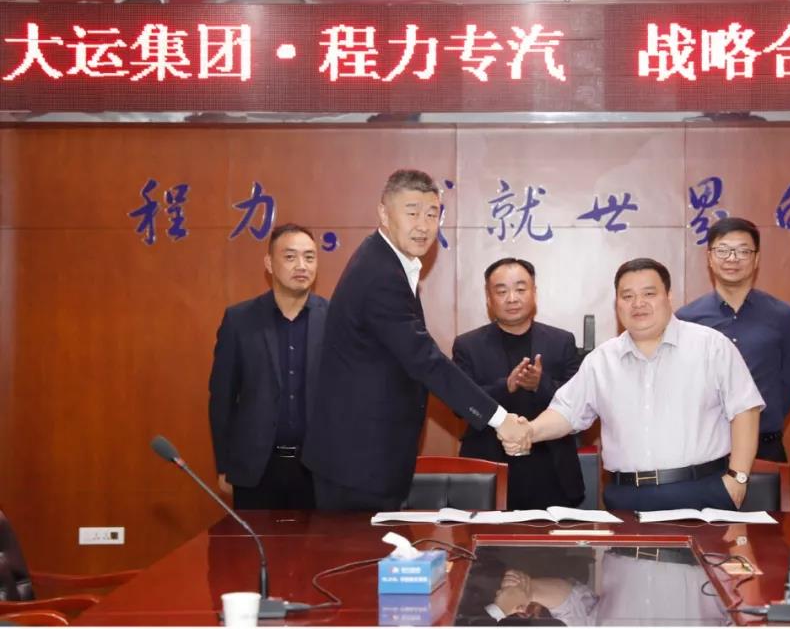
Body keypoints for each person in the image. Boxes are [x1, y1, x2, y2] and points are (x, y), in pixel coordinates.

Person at [302, 169, 530, 511]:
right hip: (357, 464)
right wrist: (499, 419)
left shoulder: (389, 263)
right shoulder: (380, 274)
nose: (423, 225)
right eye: (412, 213)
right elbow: (424, 359)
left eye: (432, 214)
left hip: (365, 461)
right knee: (358, 547)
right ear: (384, 213)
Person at [503, 258, 763, 512]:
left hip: (701, 491)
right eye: (627, 296)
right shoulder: (602, 360)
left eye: (649, 293)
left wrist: (738, 478)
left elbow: (745, 409)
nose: (638, 303)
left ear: (668, 296)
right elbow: (566, 412)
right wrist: (530, 431)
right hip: (627, 497)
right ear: (617, 303)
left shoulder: (711, 346)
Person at [208, 223, 326, 510]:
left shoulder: (335, 320)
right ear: (269, 263)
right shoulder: (239, 320)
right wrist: (225, 465)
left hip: (319, 471)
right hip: (256, 471)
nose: (302, 265)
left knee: (321, 541)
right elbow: (222, 398)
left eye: (309, 257)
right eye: (290, 257)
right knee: (255, 541)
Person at [452, 258, 585, 510]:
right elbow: (460, 405)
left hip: (552, 472)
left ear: (534, 292)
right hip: (488, 471)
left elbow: (578, 402)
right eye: (501, 291)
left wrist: (539, 384)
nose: (512, 298)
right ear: (489, 298)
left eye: (520, 289)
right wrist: (506, 386)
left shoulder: (561, 341)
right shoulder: (468, 345)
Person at [677, 218, 790, 462]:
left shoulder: (784, 317)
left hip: (765, 447)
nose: (732, 258)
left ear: (756, 259)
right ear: (709, 257)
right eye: (723, 250)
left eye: (743, 251)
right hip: (704, 452)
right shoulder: (685, 320)